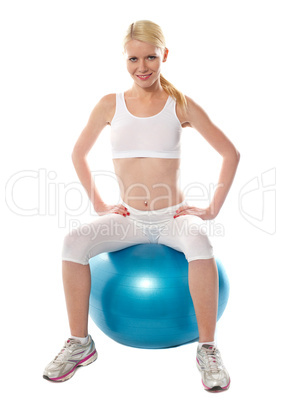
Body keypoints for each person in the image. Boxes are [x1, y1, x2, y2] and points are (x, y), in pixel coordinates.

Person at [43, 20, 240, 392]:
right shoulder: (110, 104)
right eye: (133, 58)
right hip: (130, 219)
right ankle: (80, 344)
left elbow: (230, 153)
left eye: (151, 57)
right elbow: (78, 153)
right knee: (73, 242)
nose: (142, 66)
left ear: (165, 55)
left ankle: (208, 349)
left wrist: (211, 209)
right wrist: (100, 204)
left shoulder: (180, 104)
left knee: (202, 245)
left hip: (171, 218)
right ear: (125, 59)